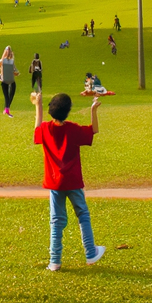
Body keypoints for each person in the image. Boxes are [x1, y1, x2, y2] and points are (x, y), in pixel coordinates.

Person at [32, 89, 105, 271]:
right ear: (68, 111)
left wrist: (38, 106)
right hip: (72, 181)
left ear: (51, 110)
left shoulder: (46, 129)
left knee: (56, 221)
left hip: (55, 183)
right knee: (83, 215)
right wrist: (93, 110)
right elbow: (93, 130)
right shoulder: (72, 129)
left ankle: (54, 261)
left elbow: (37, 129)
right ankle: (90, 252)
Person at [0, 46, 18, 117]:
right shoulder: (1, 61)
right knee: (7, 97)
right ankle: (7, 110)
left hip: (11, 80)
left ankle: (6, 109)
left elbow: (14, 70)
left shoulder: (11, 62)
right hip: (4, 80)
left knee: (11, 95)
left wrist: (16, 73)